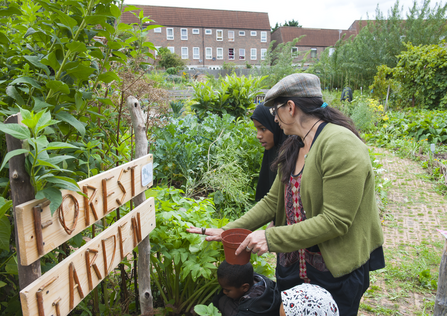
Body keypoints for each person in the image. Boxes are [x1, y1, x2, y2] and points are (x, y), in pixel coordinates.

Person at [188, 73, 385, 316]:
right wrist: (230, 231)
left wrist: (270, 238)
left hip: (333, 273)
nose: (274, 118)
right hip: (295, 267)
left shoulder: (340, 145)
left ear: (290, 107)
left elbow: (336, 221)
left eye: (275, 111)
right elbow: (273, 201)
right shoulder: (295, 144)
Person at [213, 260, 281, 316]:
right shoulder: (253, 278)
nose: (224, 292)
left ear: (245, 287)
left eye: (227, 290)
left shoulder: (251, 308)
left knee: (223, 302)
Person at [251, 103, 288, 201]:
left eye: (263, 129)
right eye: (257, 129)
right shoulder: (272, 151)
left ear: (276, 125)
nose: (258, 136)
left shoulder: (290, 156)